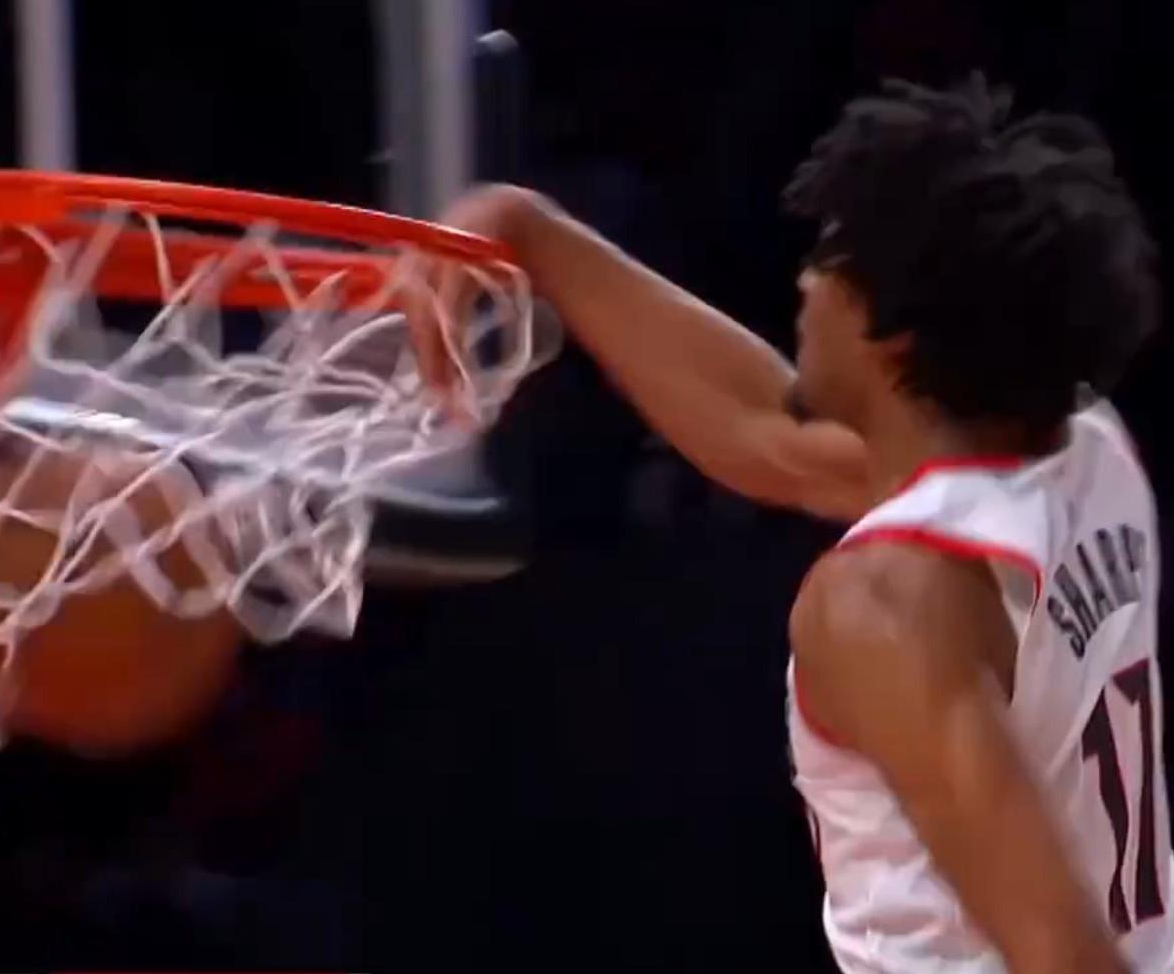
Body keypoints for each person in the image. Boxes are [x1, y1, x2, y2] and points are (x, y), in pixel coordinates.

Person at [410, 75, 1168, 973]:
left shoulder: (884, 602)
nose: (804, 280)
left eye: (831, 262)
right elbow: (762, 433)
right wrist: (532, 231)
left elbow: (1065, 959)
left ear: (894, 340)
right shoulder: (1082, 442)